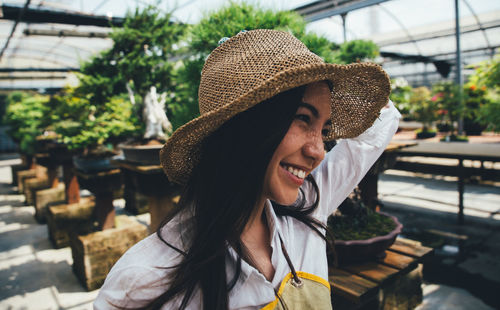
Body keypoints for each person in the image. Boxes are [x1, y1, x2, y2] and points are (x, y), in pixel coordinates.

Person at [94, 29, 400, 309]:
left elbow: (380, 124)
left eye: (325, 128)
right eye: (303, 119)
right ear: (244, 125)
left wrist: (310, 66)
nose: (318, 151)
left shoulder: (306, 212)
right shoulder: (148, 277)